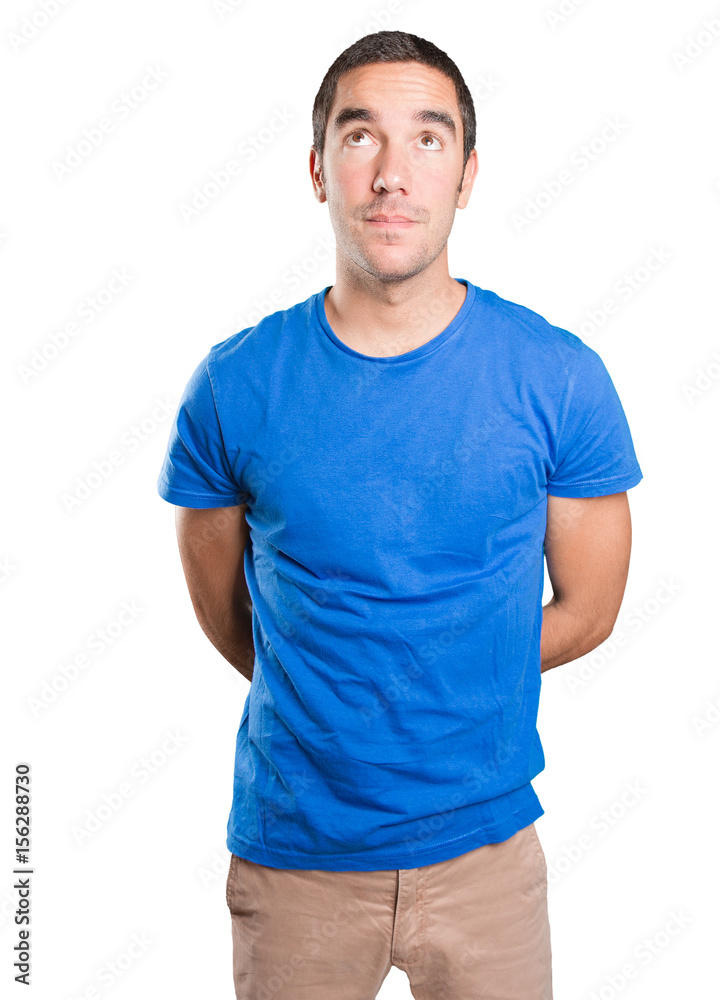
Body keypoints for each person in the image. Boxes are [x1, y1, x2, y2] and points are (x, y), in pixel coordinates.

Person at [157, 29, 643, 1000]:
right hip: (293, 859)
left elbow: (588, 610)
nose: (389, 173)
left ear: (465, 174)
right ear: (316, 168)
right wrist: (331, 680)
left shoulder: (556, 378)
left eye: (426, 139)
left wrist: (442, 662)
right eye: (357, 136)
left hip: (485, 860)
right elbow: (226, 614)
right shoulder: (234, 384)